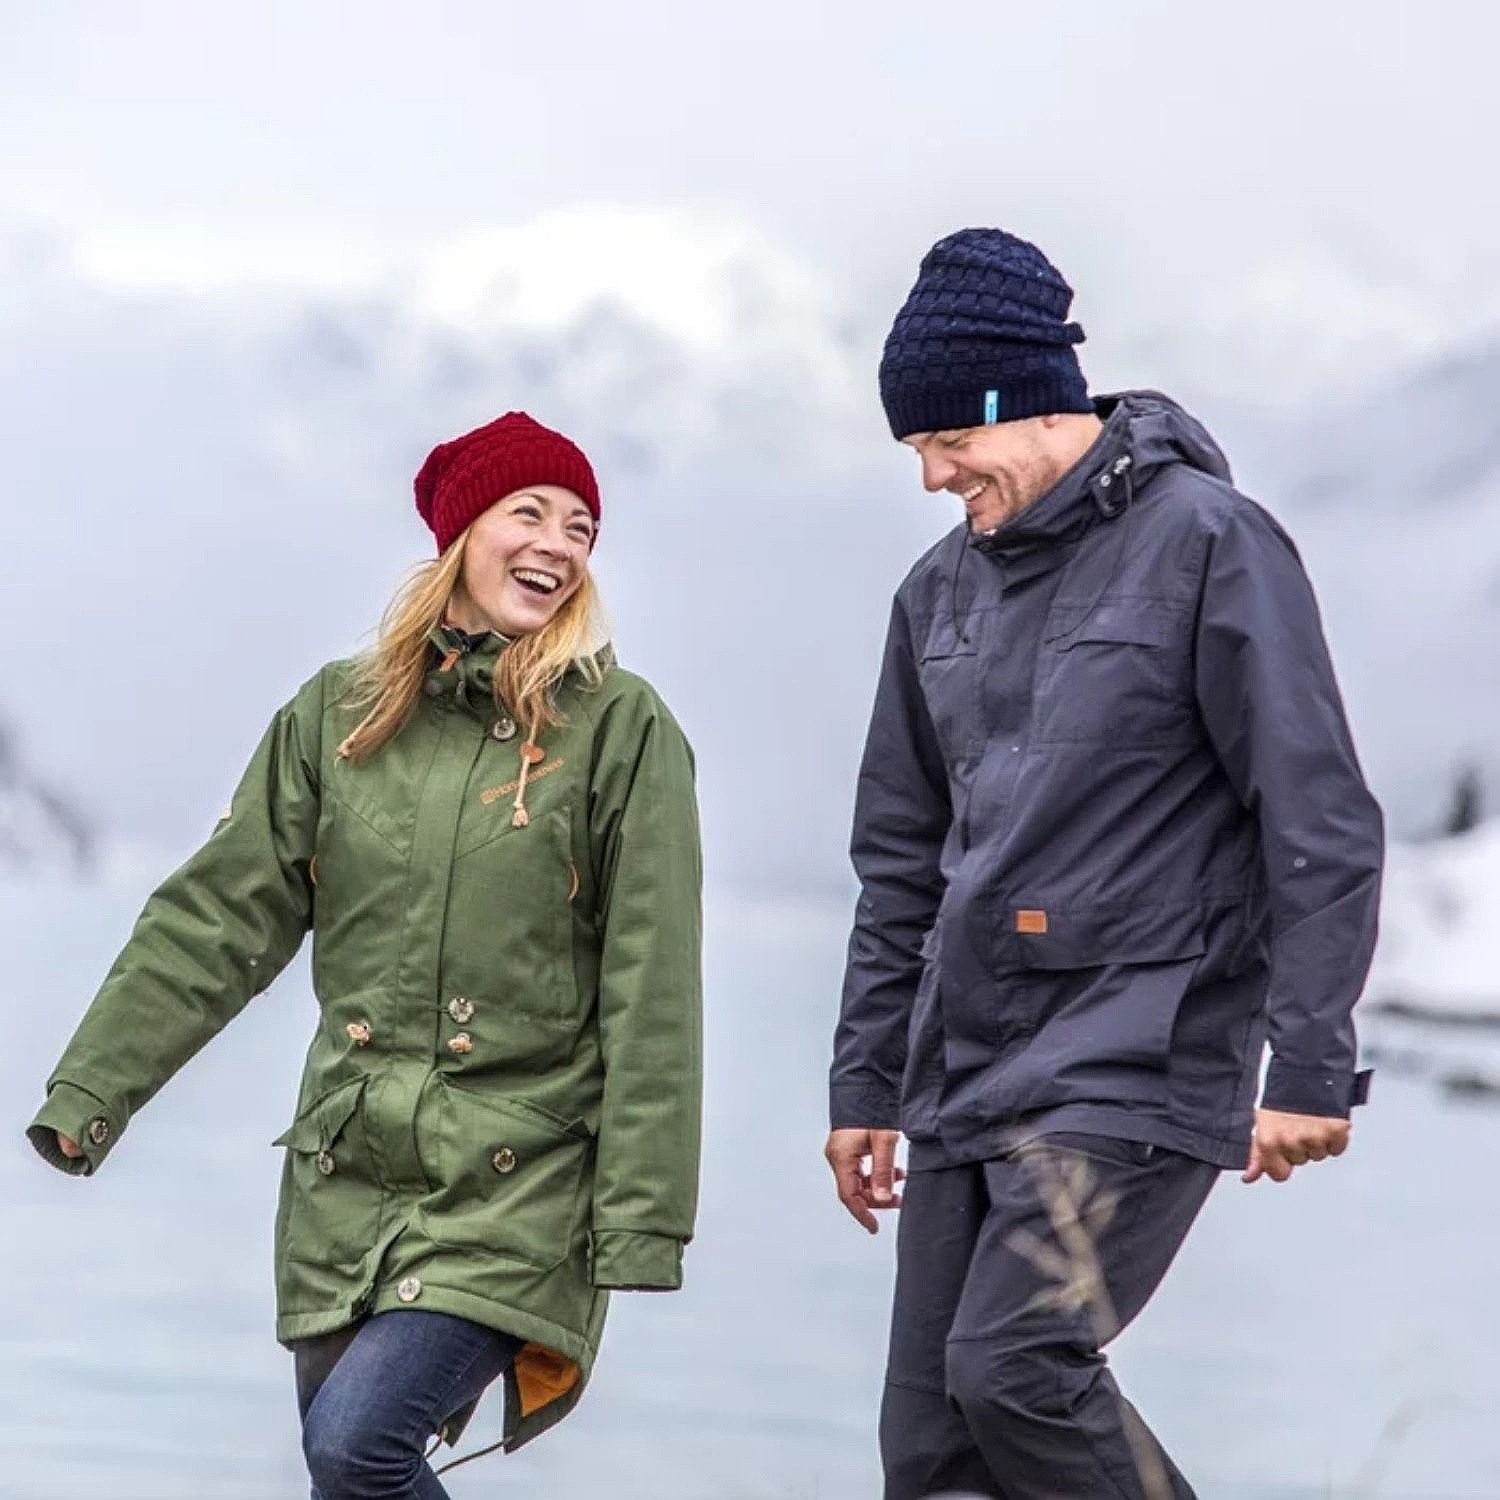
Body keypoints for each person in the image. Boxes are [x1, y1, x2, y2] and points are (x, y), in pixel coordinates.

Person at [27, 410, 703, 1499]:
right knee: (343, 1472)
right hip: (345, 1177)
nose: (558, 545)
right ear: (461, 535)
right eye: (529, 513)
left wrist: (640, 1217)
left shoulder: (622, 730)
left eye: (580, 527)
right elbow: (219, 917)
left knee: (356, 1448)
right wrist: (94, 1089)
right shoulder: (336, 717)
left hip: (520, 1182)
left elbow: (652, 986)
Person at [825, 228, 1383, 1499]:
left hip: (1140, 1053)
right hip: (964, 1067)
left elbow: (1318, 813)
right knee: (932, 1450)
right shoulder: (934, 594)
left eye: (944, 442)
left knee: (1015, 1368)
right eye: (916, 452)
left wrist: (1310, 1064)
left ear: (1024, 403)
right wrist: (865, 1087)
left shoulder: (1212, 544)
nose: (932, 477)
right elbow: (900, 867)